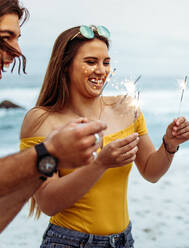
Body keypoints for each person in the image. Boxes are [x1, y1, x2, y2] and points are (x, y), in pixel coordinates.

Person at [20, 25, 189, 248]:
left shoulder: (126, 108)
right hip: (70, 242)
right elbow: (48, 202)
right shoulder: (41, 121)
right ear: (65, 66)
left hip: (123, 241)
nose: (101, 71)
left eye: (106, 62)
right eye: (90, 62)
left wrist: (169, 145)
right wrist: (100, 165)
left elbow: (151, 171)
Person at [0, 0, 107, 233]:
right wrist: (51, 152)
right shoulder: (39, 120)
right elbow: (47, 203)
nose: (17, 50)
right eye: (6, 36)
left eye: (17, 37)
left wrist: (49, 160)